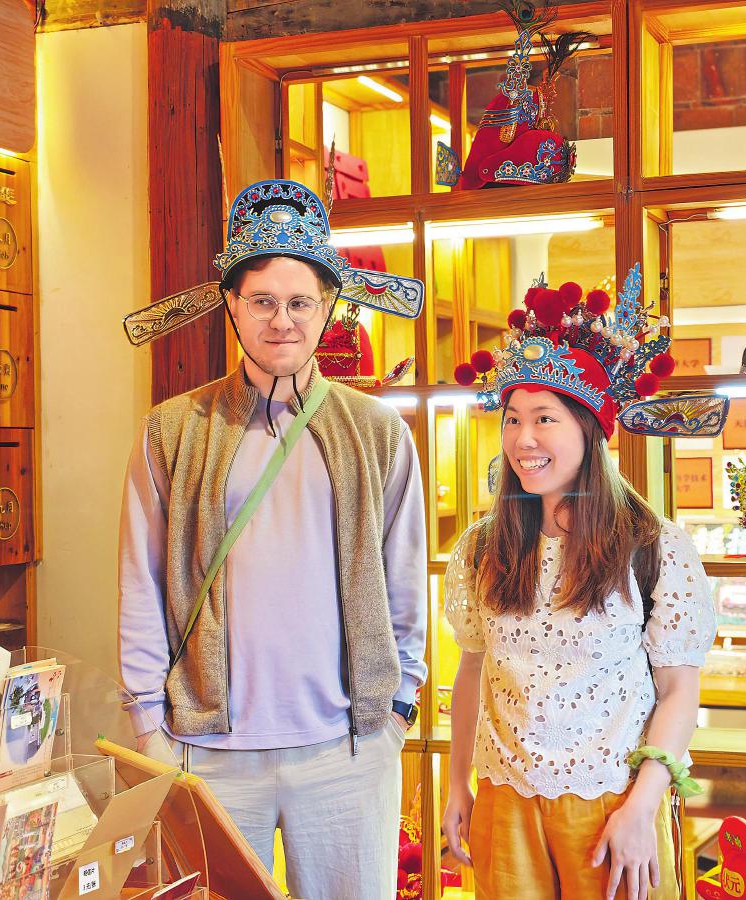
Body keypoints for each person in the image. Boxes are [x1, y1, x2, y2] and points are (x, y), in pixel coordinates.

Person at [118, 179, 427, 899]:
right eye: (261, 301)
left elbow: (405, 579)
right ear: (231, 304)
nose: (281, 321)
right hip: (206, 749)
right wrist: (148, 726)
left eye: (299, 302)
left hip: (347, 747)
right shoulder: (174, 429)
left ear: (328, 306)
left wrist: (398, 710)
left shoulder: (377, 431)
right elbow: (141, 580)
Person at [441, 271, 717, 900]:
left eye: (545, 419)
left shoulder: (652, 546)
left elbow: (678, 691)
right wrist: (458, 783)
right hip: (504, 796)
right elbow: (473, 668)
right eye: (512, 419)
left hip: (610, 800)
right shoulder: (484, 546)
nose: (523, 440)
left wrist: (643, 806)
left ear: (590, 432)